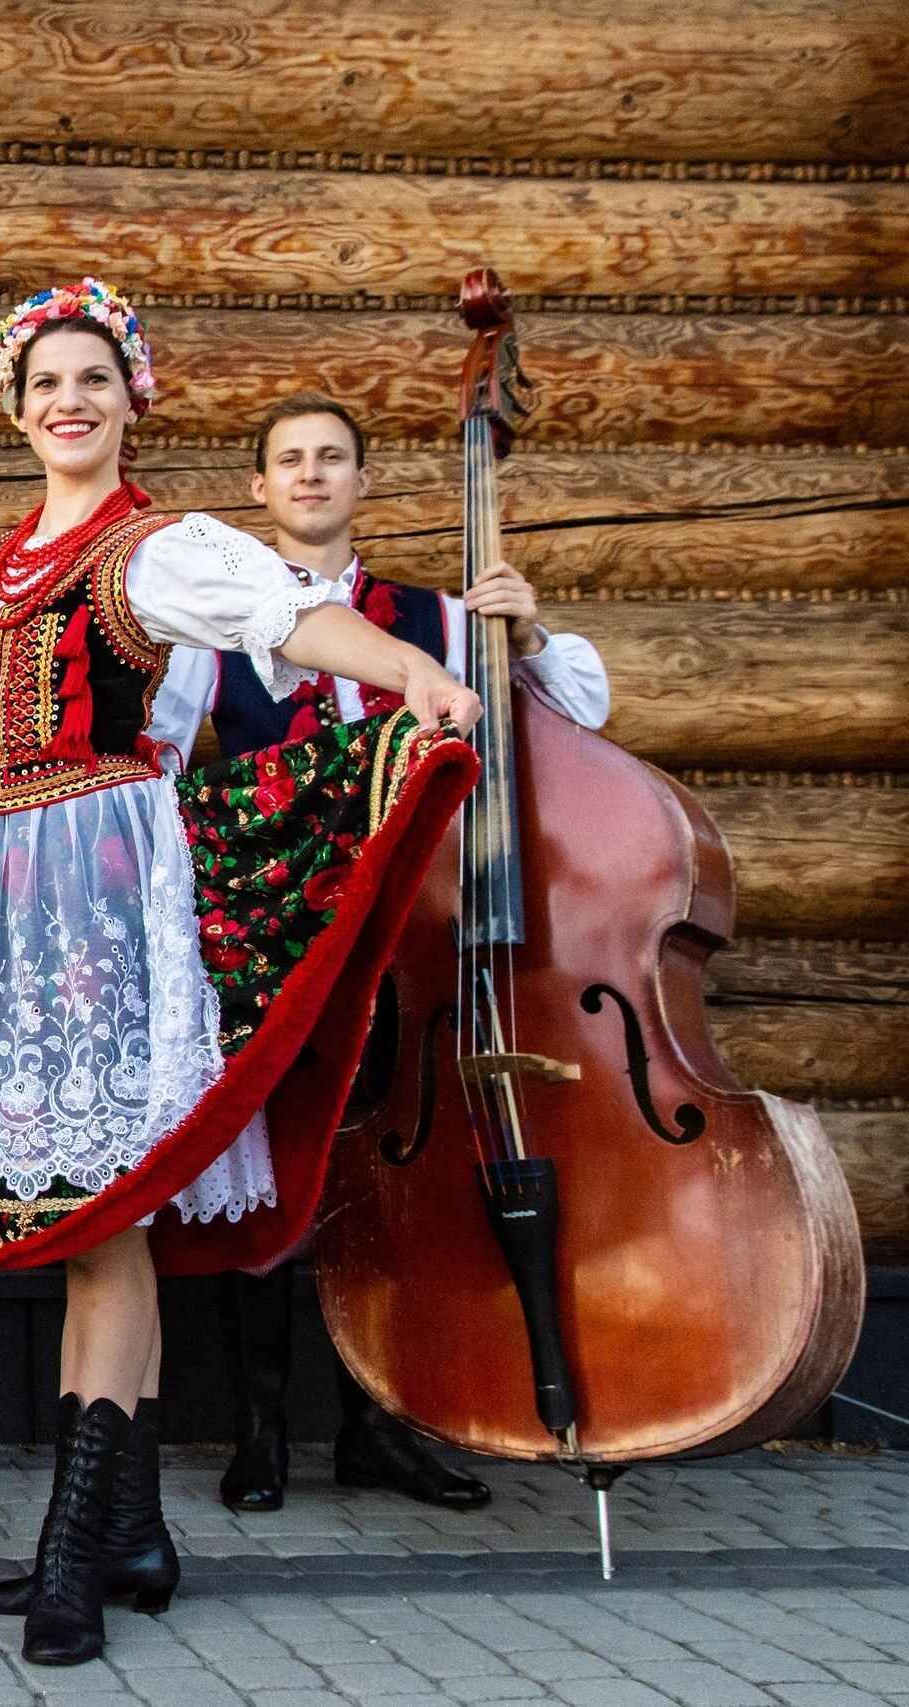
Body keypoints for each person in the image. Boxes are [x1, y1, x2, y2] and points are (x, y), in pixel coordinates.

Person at [0, 280, 480, 1667]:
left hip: (97, 889)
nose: (69, 399)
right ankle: (129, 1530)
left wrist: (411, 664)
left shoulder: (160, 549)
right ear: (18, 405)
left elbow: (288, 620)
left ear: (133, 398)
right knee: (73, 1208)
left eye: (93, 379)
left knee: (104, 1209)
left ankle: (72, 1552)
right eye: (47, 380)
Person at [143, 392, 610, 1514]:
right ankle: (259, 1431)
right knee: (268, 1163)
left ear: (360, 482)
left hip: (415, 940)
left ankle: (379, 1426)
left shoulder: (441, 621)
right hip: (272, 934)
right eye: (287, 461)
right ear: (258, 489)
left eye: (330, 460)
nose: (309, 476)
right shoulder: (215, 623)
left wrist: (528, 634)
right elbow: (157, 759)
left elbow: (579, 714)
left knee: (387, 1175)